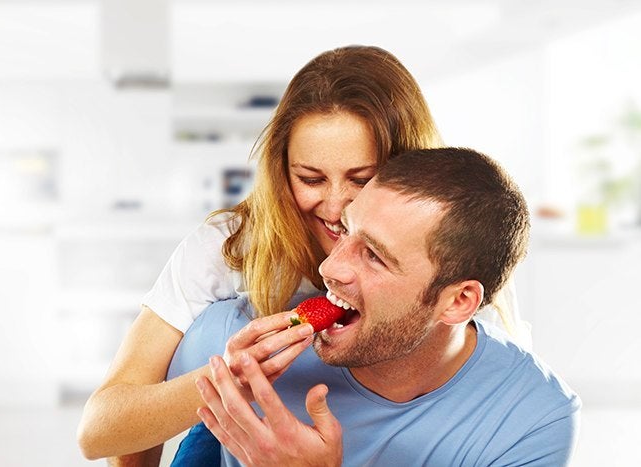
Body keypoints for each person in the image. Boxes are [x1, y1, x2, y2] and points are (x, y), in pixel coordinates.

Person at [77, 44, 445, 465]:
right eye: (310, 179)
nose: (336, 207)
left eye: (363, 179)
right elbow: (100, 430)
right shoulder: (230, 247)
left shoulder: (451, 259)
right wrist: (233, 378)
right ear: (280, 169)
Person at [170, 148, 581, 466]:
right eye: (346, 230)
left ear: (458, 301)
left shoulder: (532, 421)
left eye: (374, 256)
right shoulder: (238, 338)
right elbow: (117, 430)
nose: (329, 267)